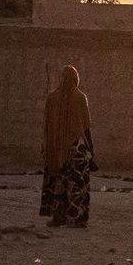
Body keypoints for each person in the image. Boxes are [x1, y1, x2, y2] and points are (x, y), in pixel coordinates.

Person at [41, 65, 95, 228]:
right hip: (77, 148)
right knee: (78, 184)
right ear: (76, 79)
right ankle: (78, 219)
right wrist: (91, 151)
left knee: (60, 182)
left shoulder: (52, 98)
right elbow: (85, 127)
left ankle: (59, 217)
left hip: (57, 149)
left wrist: (47, 147)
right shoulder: (80, 97)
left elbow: (47, 126)